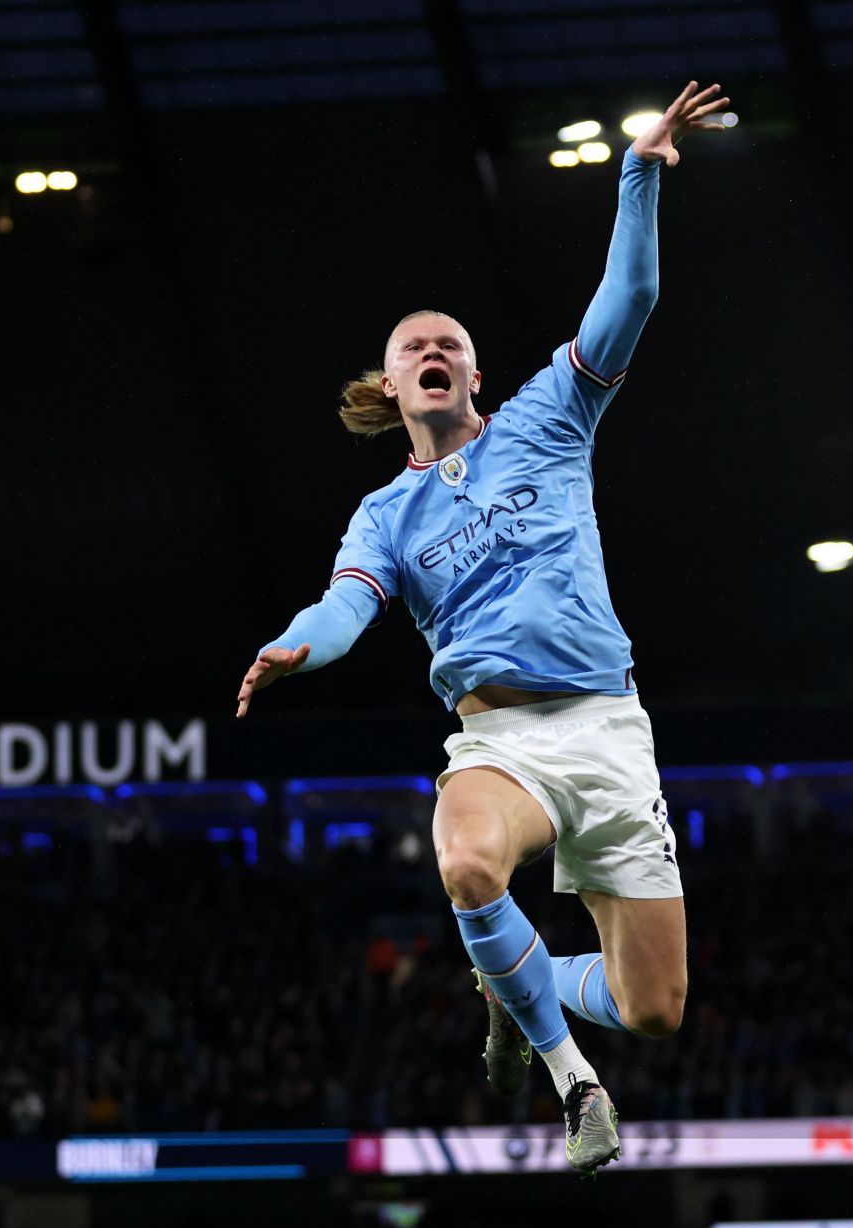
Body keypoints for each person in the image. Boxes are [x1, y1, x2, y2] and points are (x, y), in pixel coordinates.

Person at [234, 81, 731, 1171]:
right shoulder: (386, 513)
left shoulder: (551, 419)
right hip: (501, 742)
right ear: (394, 384)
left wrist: (639, 168)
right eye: (416, 344)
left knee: (655, 1006)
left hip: (606, 729)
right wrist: (292, 646)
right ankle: (573, 1083)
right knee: (464, 864)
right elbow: (344, 609)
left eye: (450, 341)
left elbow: (631, 293)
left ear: (470, 372)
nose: (435, 350)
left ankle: (513, 984)